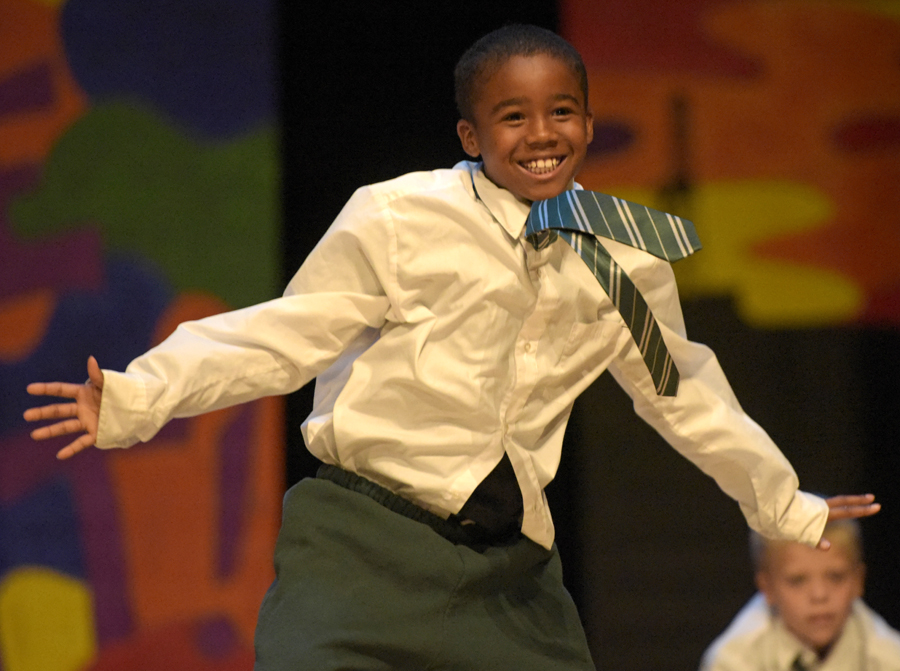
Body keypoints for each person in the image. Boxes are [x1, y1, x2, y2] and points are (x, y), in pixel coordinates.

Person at [24, 24, 880, 671]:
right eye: (513, 116)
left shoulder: (624, 257)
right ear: (471, 136)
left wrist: (786, 505)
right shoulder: (400, 218)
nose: (541, 133)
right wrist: (137, 397)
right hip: (364, 538)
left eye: (562, 112)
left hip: (505, 570)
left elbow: (682, 392)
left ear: (587, 123)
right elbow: (283, 334)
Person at [699, 519, 900, 670]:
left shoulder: (889, 658)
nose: (819, 595)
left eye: (836, 577)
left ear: (858, 580)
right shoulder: (733, 661)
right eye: (797, 580)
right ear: (767, 588)